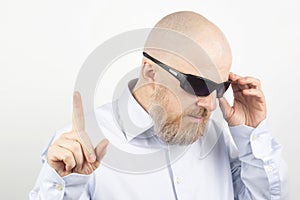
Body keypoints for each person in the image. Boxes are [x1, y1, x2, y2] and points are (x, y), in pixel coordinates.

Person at [30, 11, 288, 199]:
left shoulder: (215, 138)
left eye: (220, 88)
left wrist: (251, 135)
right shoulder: (83, 148)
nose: (210, 104)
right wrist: (64, 183)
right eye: (198, 85)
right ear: (151, 73)